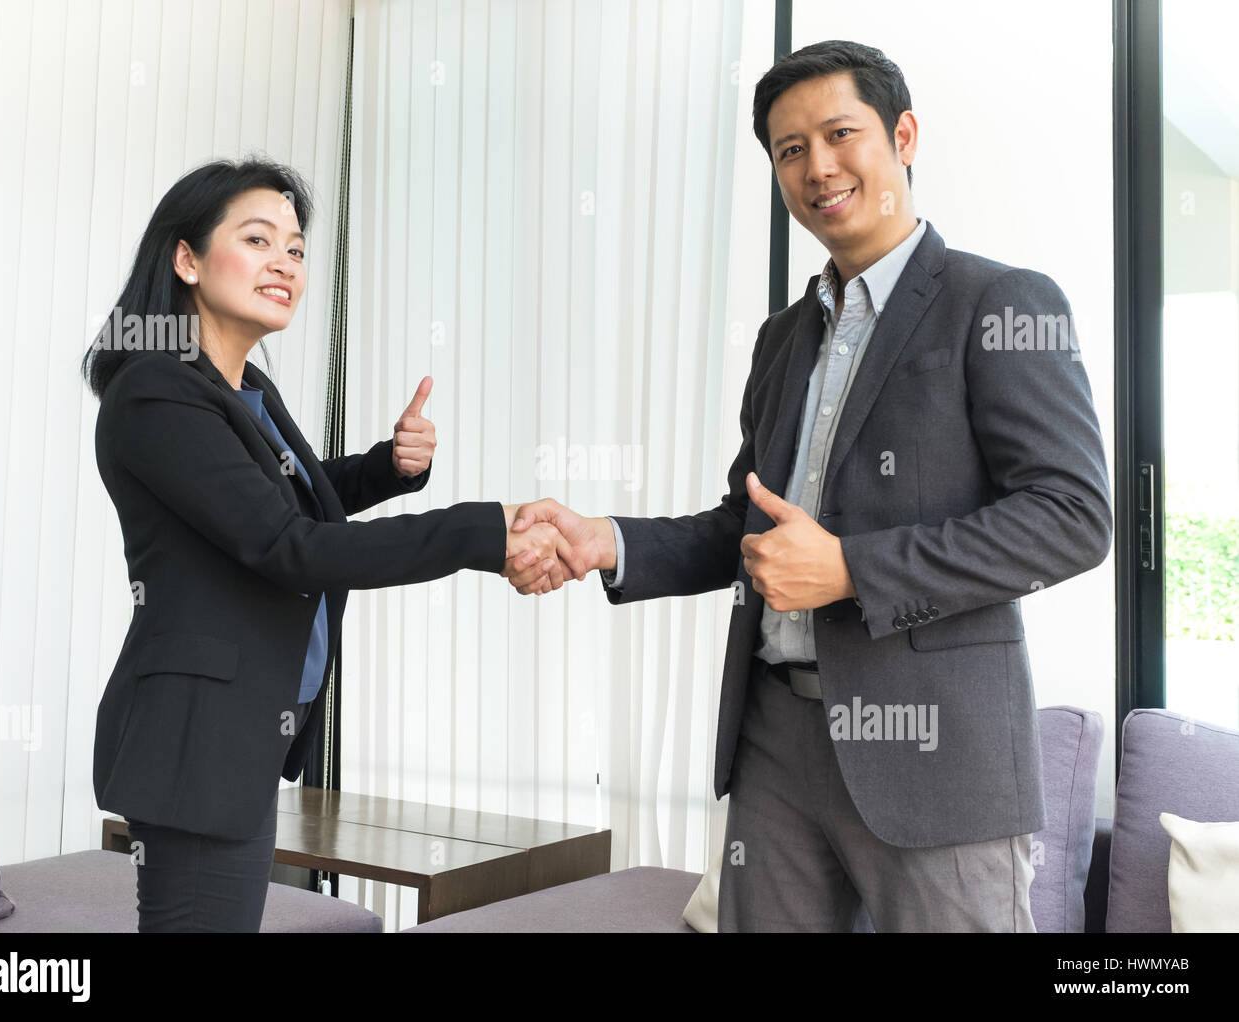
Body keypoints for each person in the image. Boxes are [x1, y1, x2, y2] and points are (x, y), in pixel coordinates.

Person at [503, 40, 1112, 932]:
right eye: (791, 150)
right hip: (776, 746)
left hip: (936, 756)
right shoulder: (783, 338)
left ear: (902, 135)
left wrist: (853, 570)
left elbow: (1073, 516)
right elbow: (744, 529)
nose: (817, 166)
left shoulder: (1000, 301)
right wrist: (610, 541)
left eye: (840, 133)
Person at [82, 156, 582, 932]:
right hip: (196, 742)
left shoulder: (244, 389)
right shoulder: (157, 392)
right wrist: (484, 529)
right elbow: (292, 545)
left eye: (296, 248)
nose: (284, 263)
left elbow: (282, 501)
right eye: (258, 239)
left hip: (235, 737)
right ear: (186, 258)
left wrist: (388, 467)